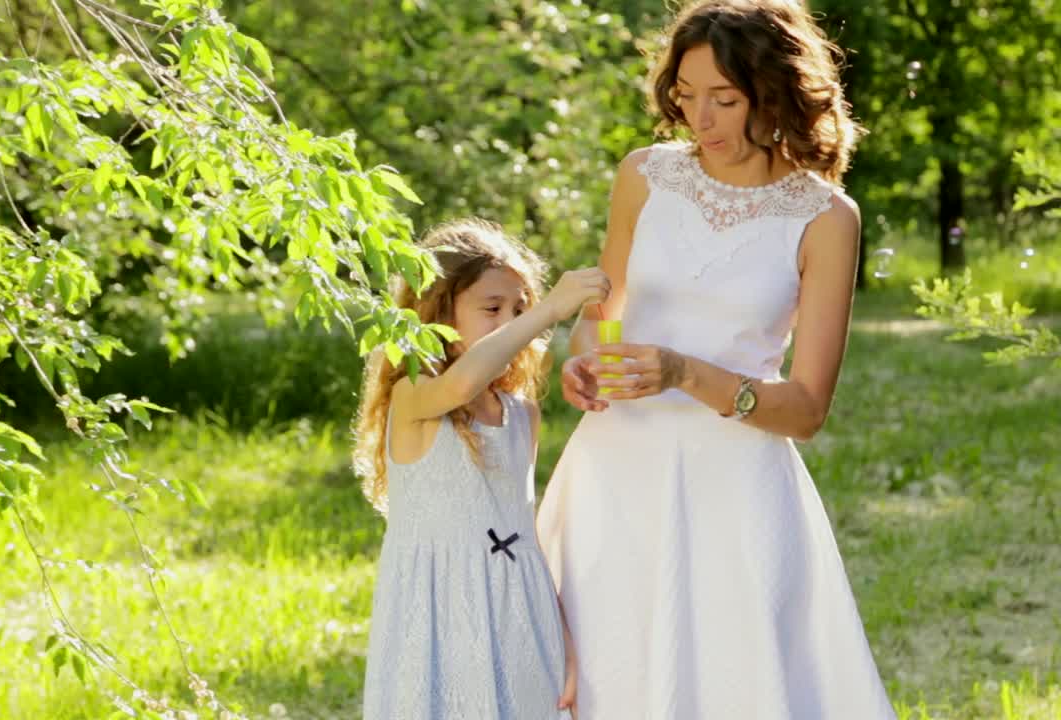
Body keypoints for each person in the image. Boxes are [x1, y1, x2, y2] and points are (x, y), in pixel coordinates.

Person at [535, 1, 897, 717]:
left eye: (724, 100)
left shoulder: (825, 218)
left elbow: (806, 410)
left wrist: (683, 373)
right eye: (686, 97)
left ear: (775, 92)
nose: (701, 120)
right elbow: (600, 315)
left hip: (736, 490)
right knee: (607, 676)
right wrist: (585, 359)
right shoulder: (645, 176)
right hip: (616, 473)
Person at [353, 218, 610, 718]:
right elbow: (459, 386)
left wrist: (564, 641)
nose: (510, 322)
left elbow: (525, 533)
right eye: (491, 309)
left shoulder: (521, 415)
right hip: (440, 614)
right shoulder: (414, 398)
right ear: (438, 312)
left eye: (520, 310)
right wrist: (552, 309)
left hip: (519, 609)